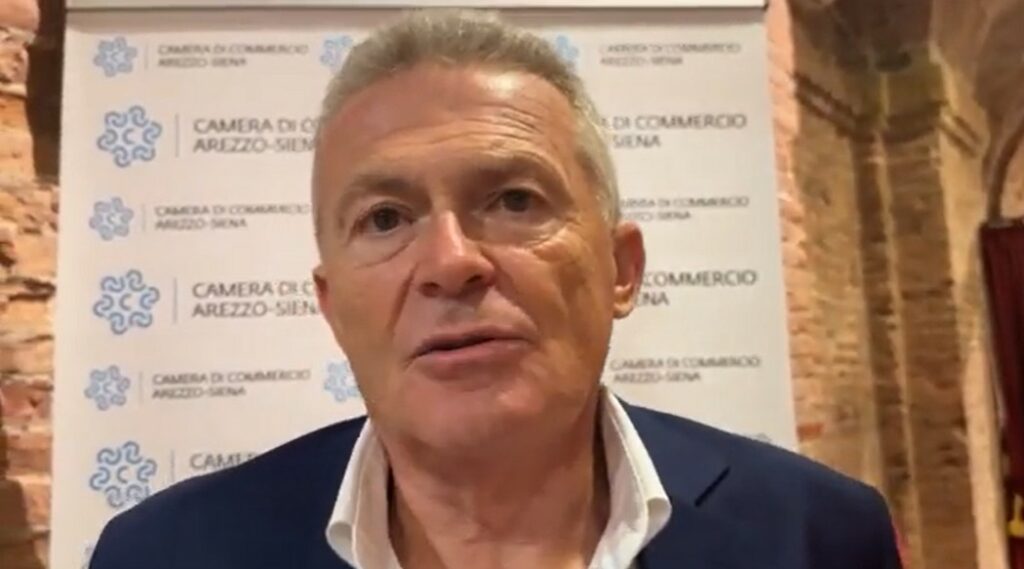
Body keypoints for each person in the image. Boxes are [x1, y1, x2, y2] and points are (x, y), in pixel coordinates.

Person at [90, 9, 903, 569]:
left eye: (514, 200)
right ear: (332, 308)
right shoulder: (165, 553)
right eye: (384, 218)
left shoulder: (819, 537)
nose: (450, 262)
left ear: (621, 269)